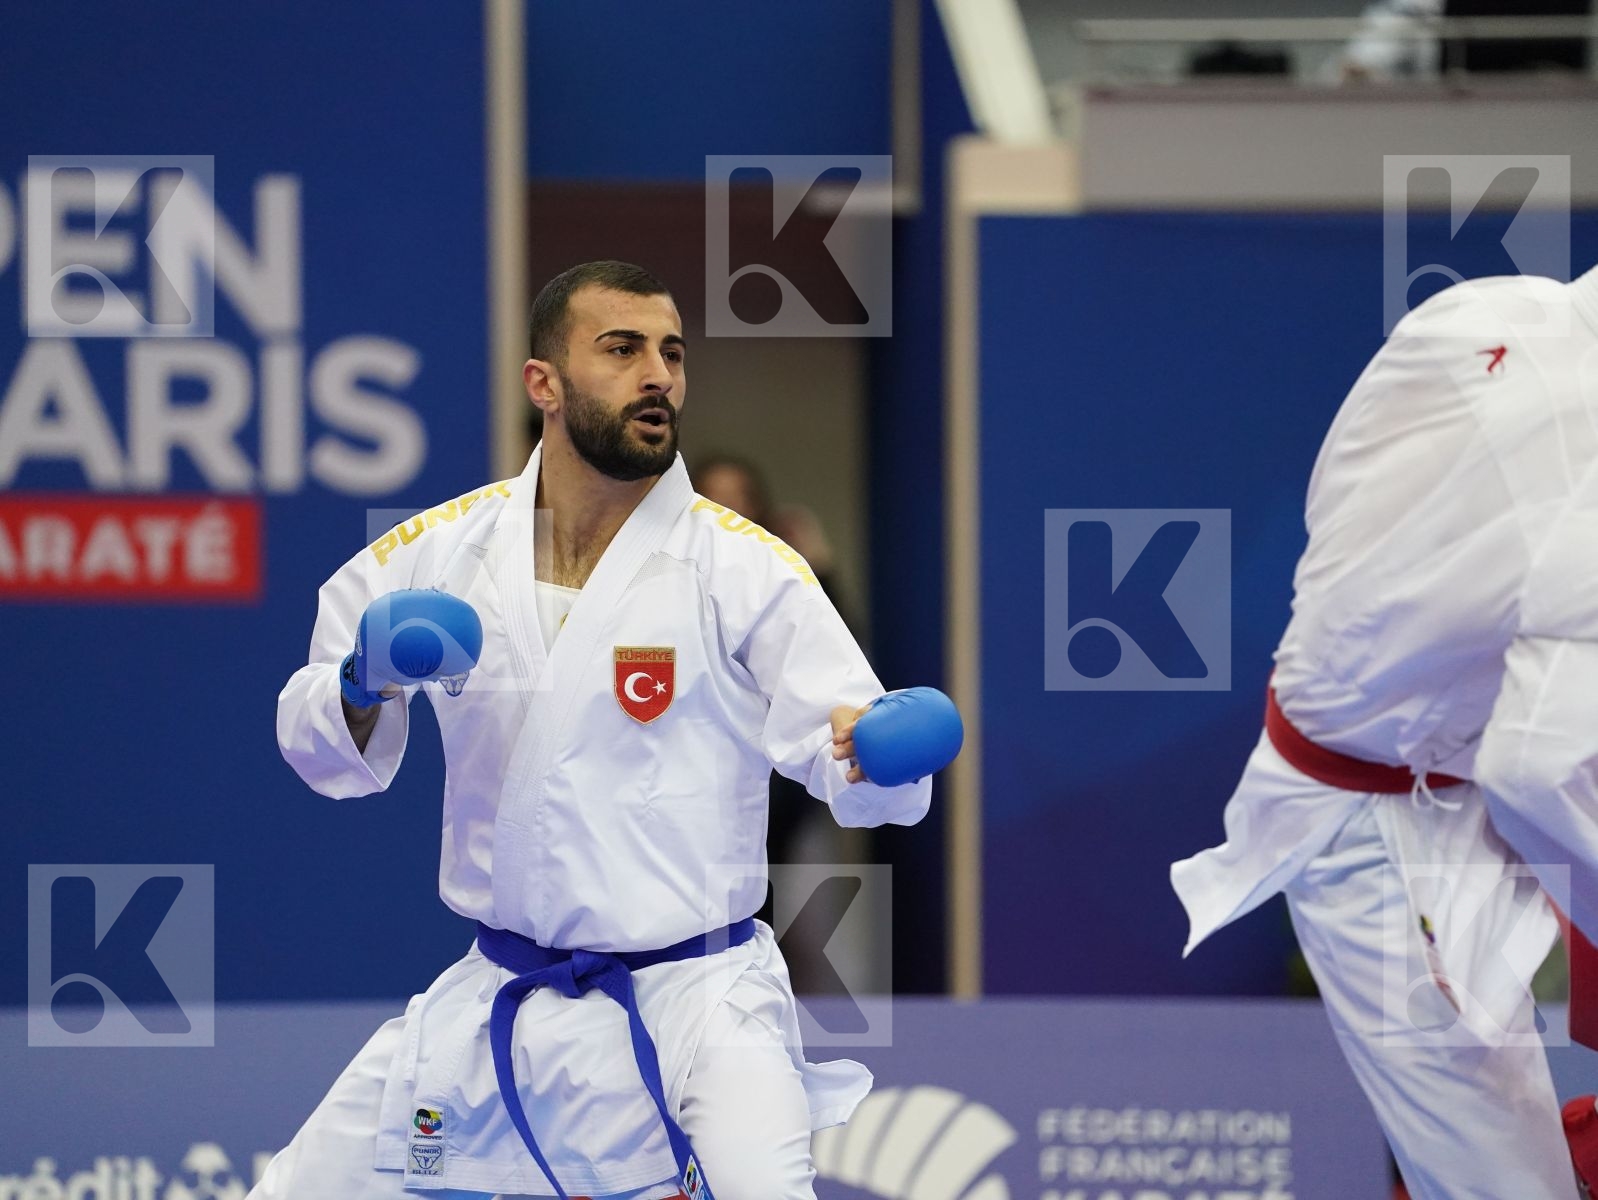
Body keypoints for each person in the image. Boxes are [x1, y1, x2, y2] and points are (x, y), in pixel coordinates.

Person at [257, 260, 960, 1200]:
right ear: (543, 383)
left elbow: (848, 747)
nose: (658, 375)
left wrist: (870, 750)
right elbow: (319, 752)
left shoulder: (747, 568)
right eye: (622, 349)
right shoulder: (437, 552)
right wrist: (360, 680)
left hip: (697, 1004)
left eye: (671, 353)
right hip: (501, 988)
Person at [1172, 264, 1598, 1200]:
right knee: (1506, 1186)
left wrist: (1416, 629)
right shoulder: (1585, 502)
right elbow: (1536, 771)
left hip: (1421, 748)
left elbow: (1338, 503)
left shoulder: (1476, 310)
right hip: (1385, 831)